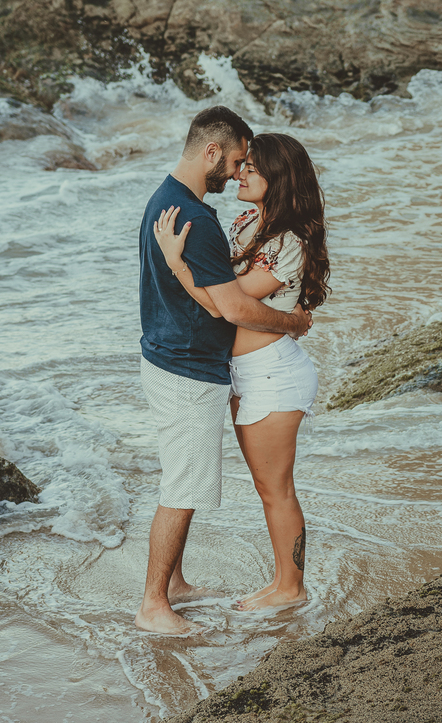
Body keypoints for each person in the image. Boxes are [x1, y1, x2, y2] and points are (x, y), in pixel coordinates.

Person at [136, 109, 312, 635]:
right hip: (210, 367)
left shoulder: (276, 238)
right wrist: (294, 321)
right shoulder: (218, 220)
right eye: (239, 160)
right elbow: (227, 307)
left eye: (251, 167)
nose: (238, 172)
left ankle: (285, 586)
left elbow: (228, 306)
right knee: (200, 484)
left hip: (260, 371)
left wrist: (291, 324)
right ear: (212, 151)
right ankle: (158, 600)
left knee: (269, 487)